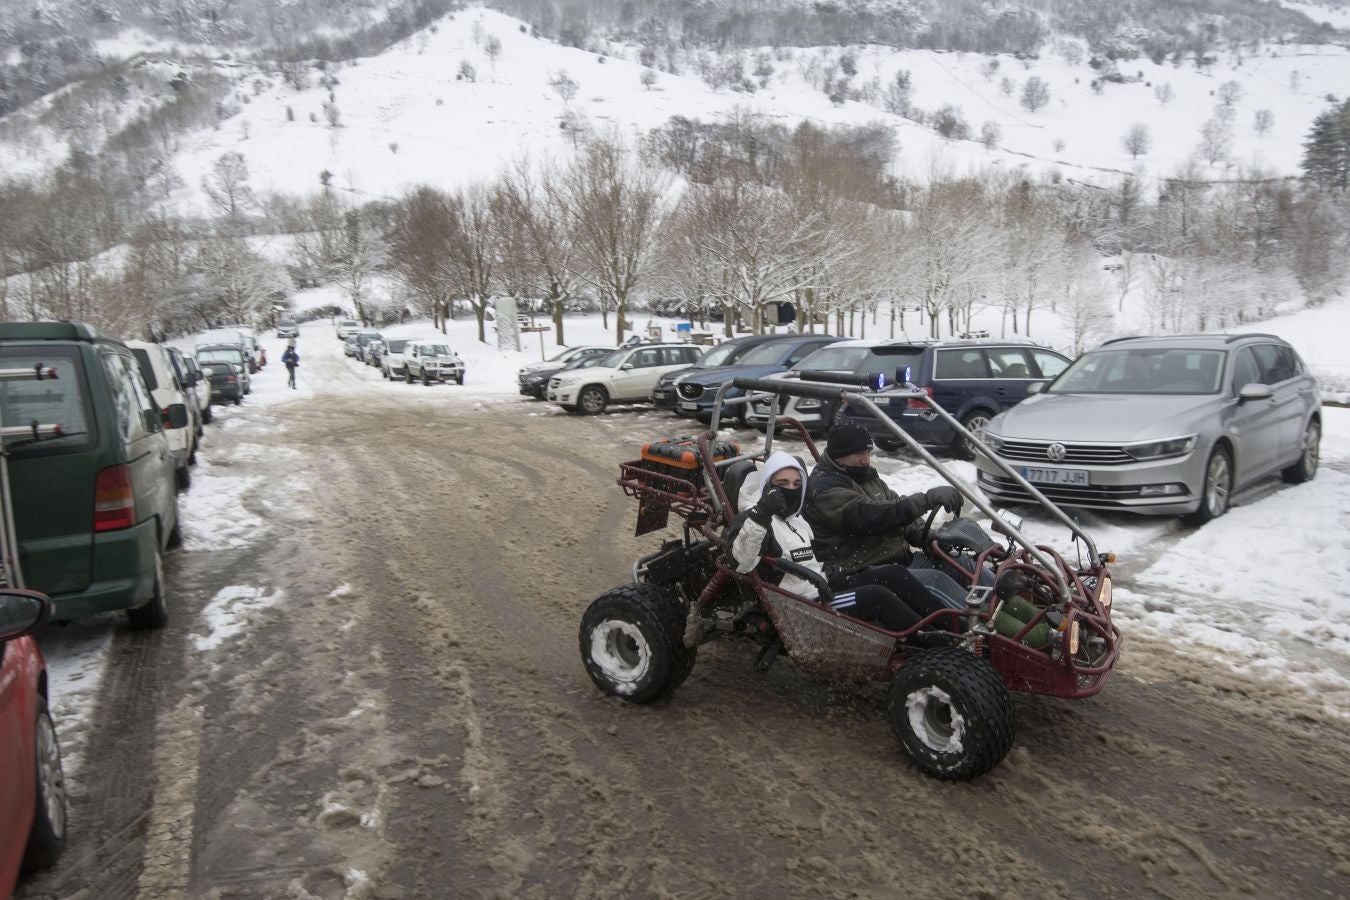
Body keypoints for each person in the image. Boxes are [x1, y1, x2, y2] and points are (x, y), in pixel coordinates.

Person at [727, 451, 951, 633]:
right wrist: (762, 513)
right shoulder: (753, 518)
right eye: (782, 483)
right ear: (768, 485)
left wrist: (831, 569)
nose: (791, 490)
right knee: (877, 597)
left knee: (893, 573)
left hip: (822, 583)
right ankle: (936, 646)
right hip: (803, 603)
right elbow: (741, 563)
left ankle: (952, 627)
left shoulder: (797, 519)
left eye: (797, 484)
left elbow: (810, 557)